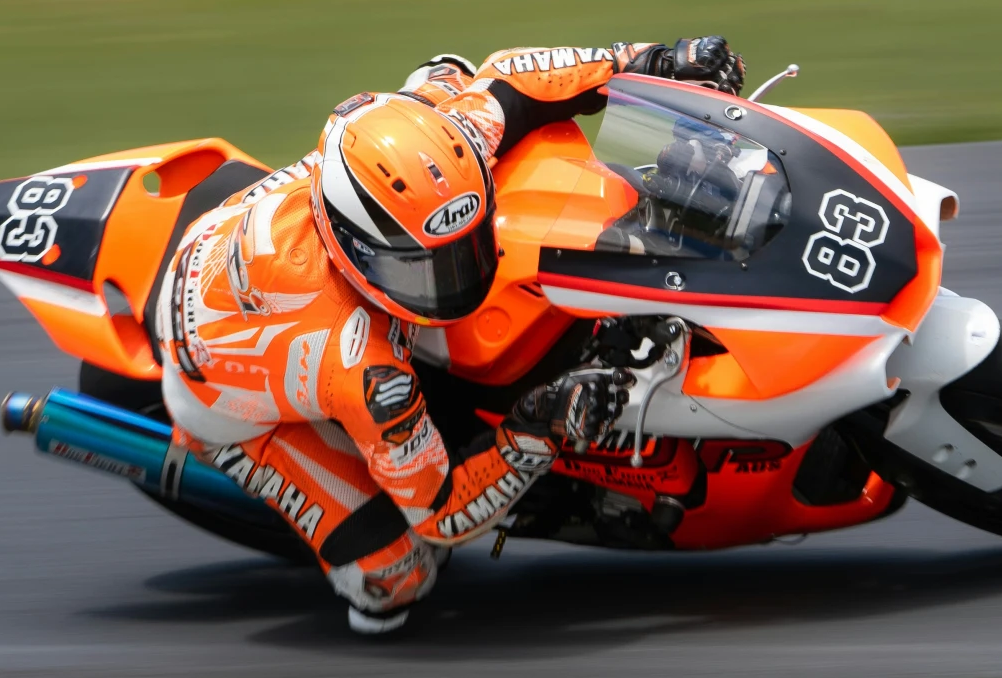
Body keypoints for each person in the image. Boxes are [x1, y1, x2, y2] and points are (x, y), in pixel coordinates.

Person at [153, 38, 745, 632]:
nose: (454, 284)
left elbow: (515, 78)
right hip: (215, 384)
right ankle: (234, 458)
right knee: (401, 572)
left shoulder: (445, 141)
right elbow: (442, 513)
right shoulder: (361, 366)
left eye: (463, 251)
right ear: (353, 249)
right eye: (423, 269)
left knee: (447, 71)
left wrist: (656, 59)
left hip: (239, 240)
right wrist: (540, 426)